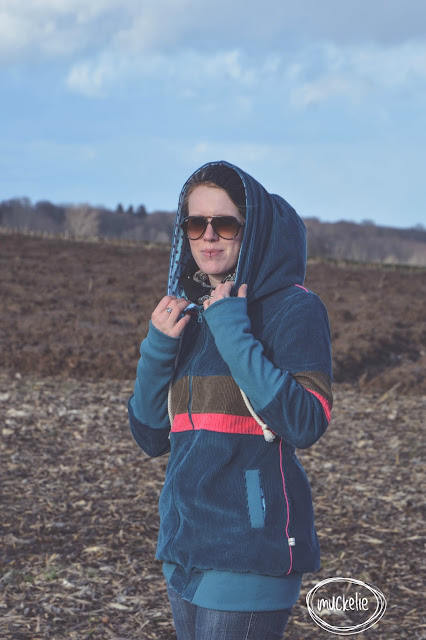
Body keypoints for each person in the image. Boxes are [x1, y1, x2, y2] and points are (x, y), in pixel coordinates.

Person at [128, 161, 333, 639]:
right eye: (195, 223)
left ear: (253, 228)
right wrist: (158, 347)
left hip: (250, 554)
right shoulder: (193, 313)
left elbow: (306, 421)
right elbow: (151, 436)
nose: (207, 236)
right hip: (184, 551)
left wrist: (233, 331)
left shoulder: (294, 308)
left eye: (224, 223)